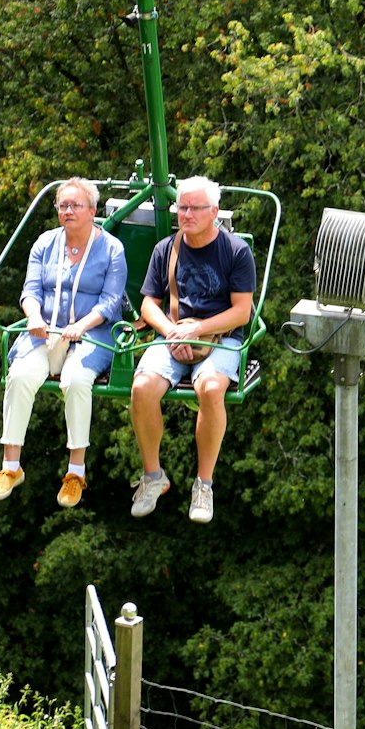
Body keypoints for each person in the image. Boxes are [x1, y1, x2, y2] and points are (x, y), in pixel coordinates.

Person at [0, 178, 128, 508]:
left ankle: (75, 472)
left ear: (93, 211)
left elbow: (111, 302)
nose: (67, 212)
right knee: (21, 375)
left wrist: (81, 326)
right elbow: (31, 290)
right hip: (45, 330)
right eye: (62, 206)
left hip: (90, 333)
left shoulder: (111, 249)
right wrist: (34, 316)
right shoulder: (45, 243)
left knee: (76, 381)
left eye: (75, 205)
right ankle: (11, 466)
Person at [129, 177, 257, 523]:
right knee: (141, 388)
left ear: (214, 212)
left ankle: (204, 484)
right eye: (181, 207)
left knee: (211, 389)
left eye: (194, 208)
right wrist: (172, 332)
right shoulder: (166, 249)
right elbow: (148, 305)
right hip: (173, 334)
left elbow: (241, 311)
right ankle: (153, 476)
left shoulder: (235, 251)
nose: (186, 214)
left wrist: (197, 331)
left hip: (220, 336)